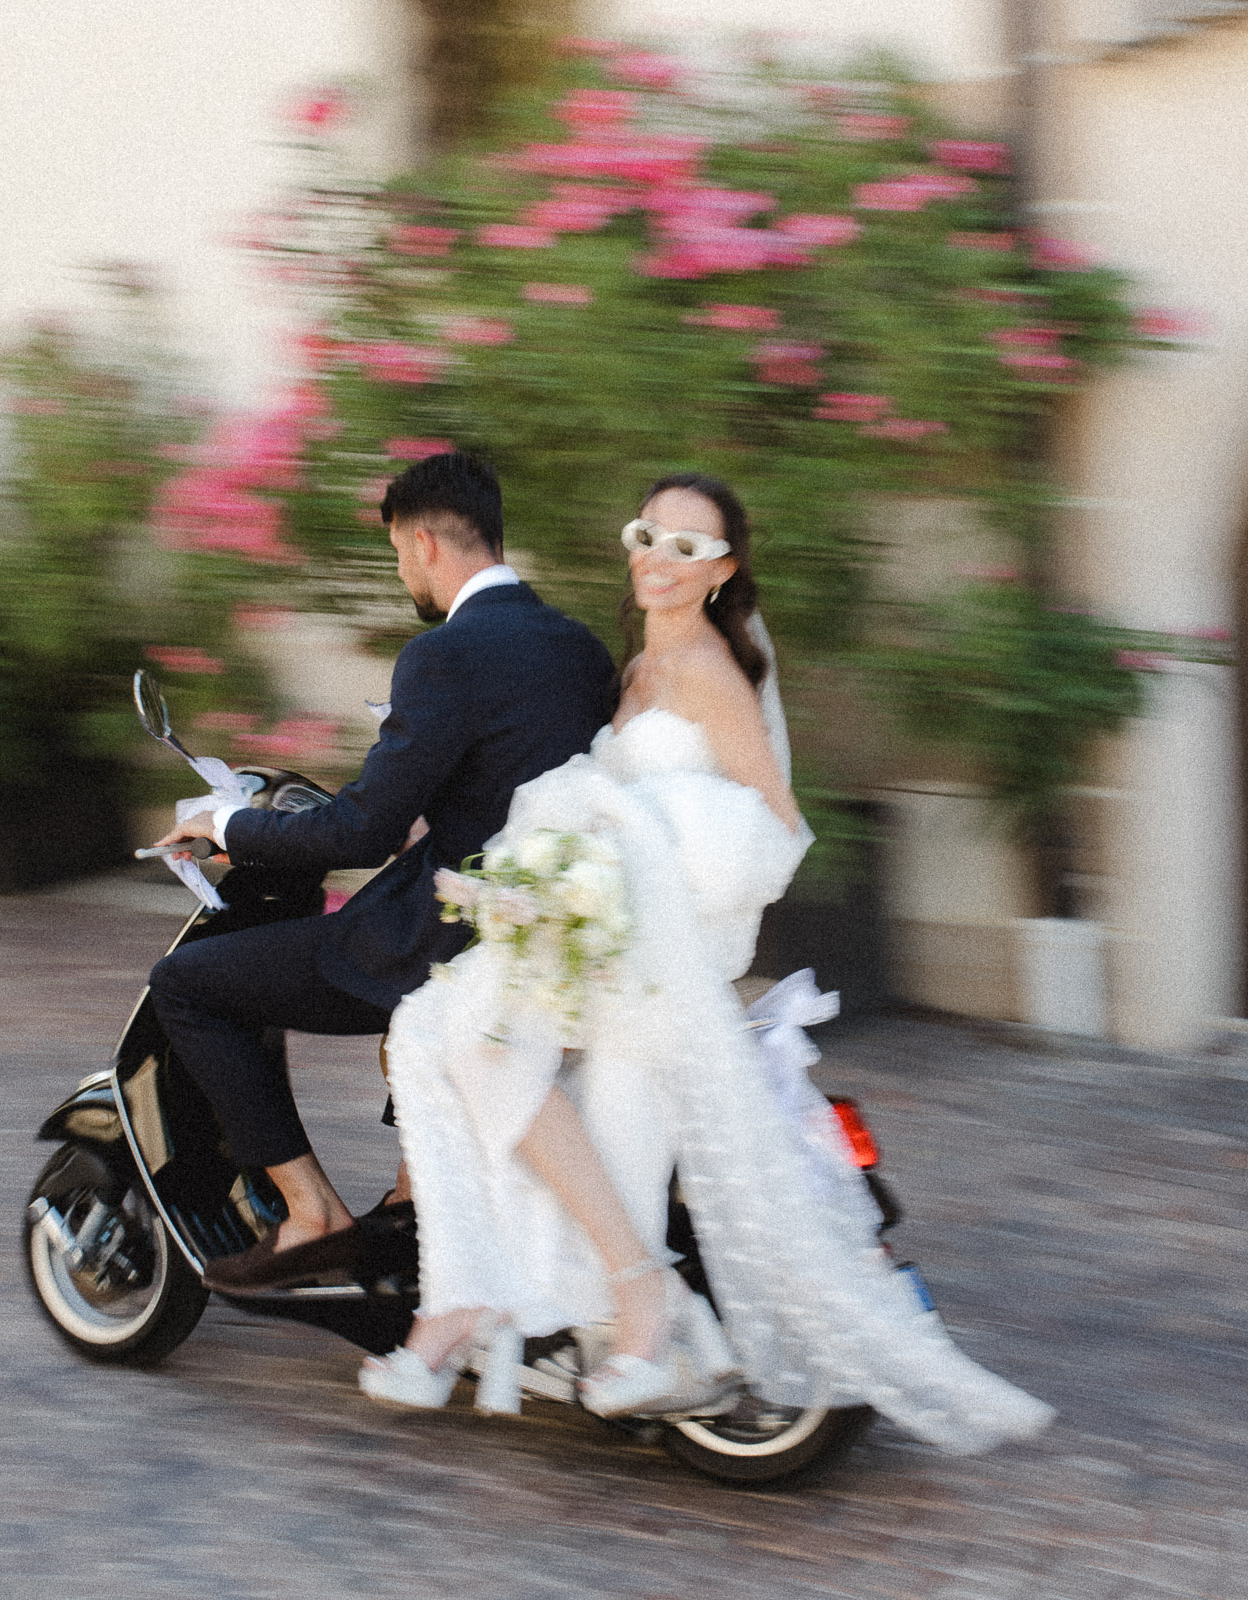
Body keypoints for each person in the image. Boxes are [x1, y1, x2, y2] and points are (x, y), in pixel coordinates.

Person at [365, 474, 1054, 1456]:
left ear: (721, 570)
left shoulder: (708, 673)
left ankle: (617, 1315)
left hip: (656, 959)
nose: (660, 558)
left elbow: (777, 829)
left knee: (489, 1052)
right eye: (648, 534)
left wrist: (632, 854)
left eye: (688, 547)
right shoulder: (641, 668)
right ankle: (488, 1298)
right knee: (442, 1032)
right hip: (607, 947)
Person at [146, 452, 618, 1291]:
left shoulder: (445, 653)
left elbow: (363, 831)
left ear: (424, 542)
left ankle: (310, 1214)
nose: (403, 572)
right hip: (541, 936)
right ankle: (412, 1200)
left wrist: (229, 825)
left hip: (445, 933)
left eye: (399, 553)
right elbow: (517, 786)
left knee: (187, 982)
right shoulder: (578, 648)